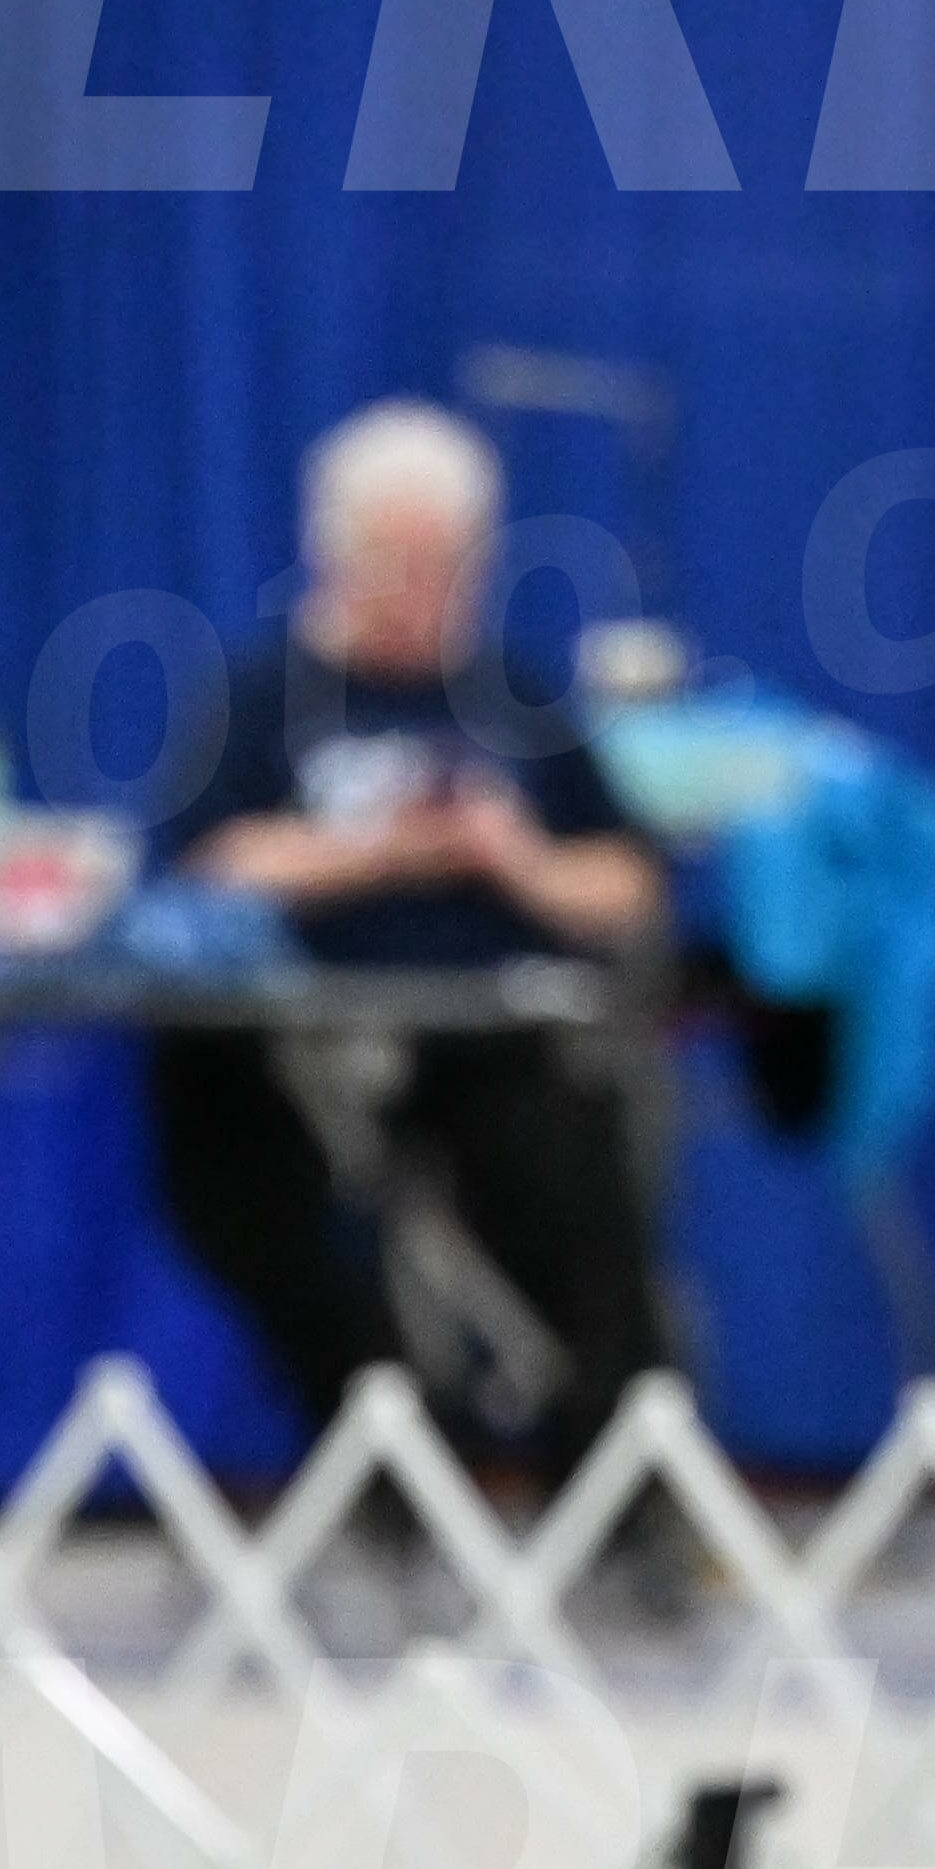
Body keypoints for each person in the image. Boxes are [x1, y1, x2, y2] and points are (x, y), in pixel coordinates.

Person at [151, 399, 668, 1491]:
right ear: (333, 557)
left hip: (483, 1039)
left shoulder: (514, 699)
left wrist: (512, 858)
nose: (429, 595)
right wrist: (379, 851)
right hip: (293, 1043)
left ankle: (615, 1496)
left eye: (451, 567)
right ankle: (384, 1458)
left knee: (577, 1170)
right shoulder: (260, 696)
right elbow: (205, 861)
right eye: (402, 566)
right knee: (219, 1150)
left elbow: (622, 881)